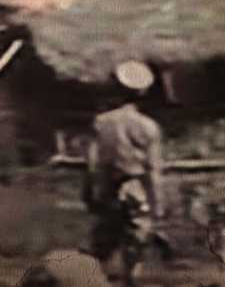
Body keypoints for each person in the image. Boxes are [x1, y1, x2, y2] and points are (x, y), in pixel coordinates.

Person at [81, 60, 171, 287]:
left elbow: (92, 162)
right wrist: (157, 203)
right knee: (136, 241)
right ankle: (129, 279)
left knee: (103, 241)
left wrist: (91, 191)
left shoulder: (101, 123)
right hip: (135, 188)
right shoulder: (148, 127)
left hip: (108, 187)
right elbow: (153, 169)